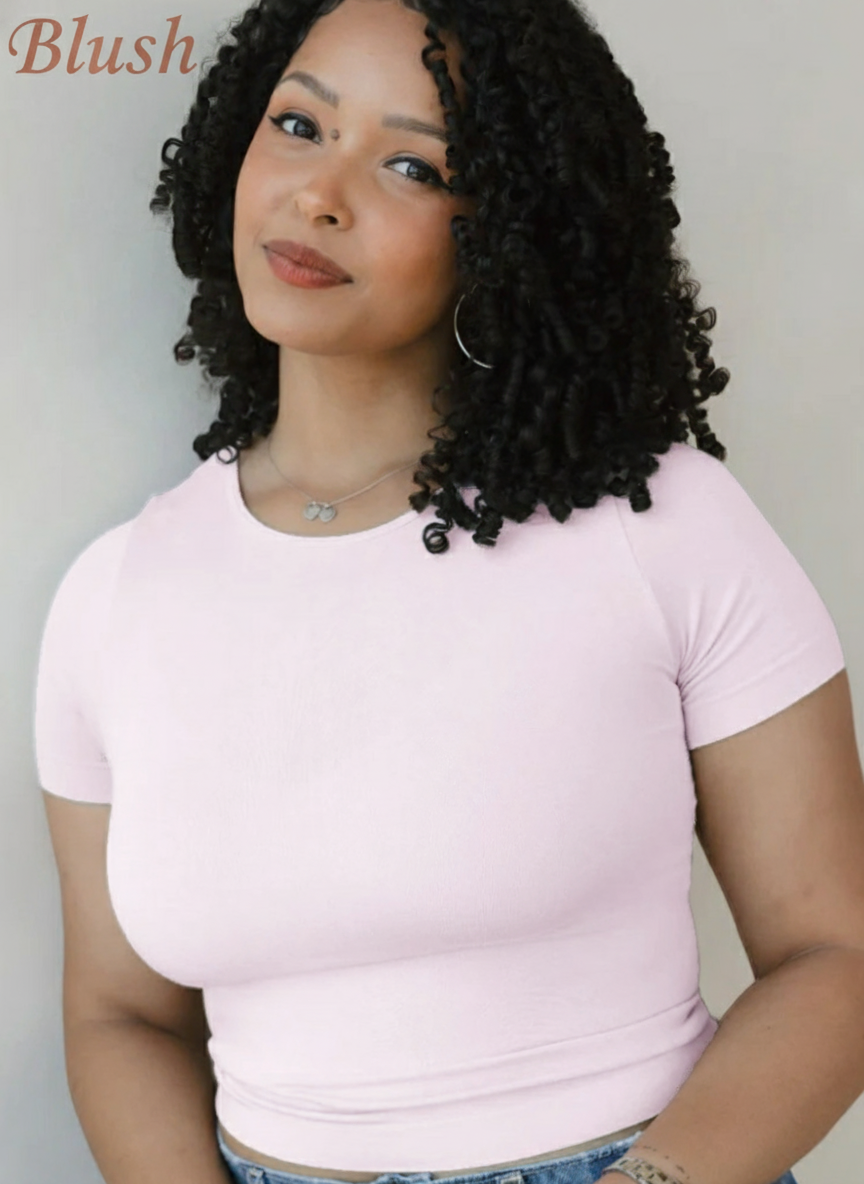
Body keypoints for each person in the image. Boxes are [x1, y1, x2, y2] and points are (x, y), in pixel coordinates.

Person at [32, 1, 864, 1183]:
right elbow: (119, 1014)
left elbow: (837, 953)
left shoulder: (659, 522)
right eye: (299, 125)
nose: (322, 195)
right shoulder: (112, 596)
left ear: (508, 230)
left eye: (413, 165)